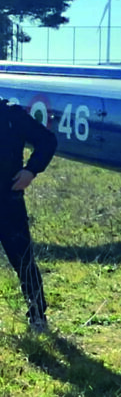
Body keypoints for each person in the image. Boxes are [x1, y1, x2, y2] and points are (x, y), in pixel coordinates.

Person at [0, 97, 57, 332]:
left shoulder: (11, 114)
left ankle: (37, 315)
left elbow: (47, 141)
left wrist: (31, 171)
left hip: (8, 200)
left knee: (23, 259)